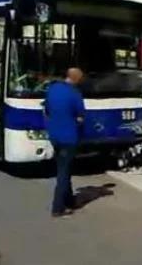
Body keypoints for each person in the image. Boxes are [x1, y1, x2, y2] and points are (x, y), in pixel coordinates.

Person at [43, 67, 86, 218]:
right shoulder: (75, 94)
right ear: (77, 80)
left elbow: (47, 110)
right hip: (69, 137)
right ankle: (58, 207)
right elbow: (81, 117)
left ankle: (69, 200)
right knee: (63, 172)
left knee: (63, 167)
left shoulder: (53, 89)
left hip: (54, 135)